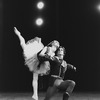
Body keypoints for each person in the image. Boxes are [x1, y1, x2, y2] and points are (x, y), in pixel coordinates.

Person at [14, 27, 60, 100]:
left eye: (56, 48)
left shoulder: (53, 53)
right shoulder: (46, 48)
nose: (55, 48)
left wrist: (55, 58)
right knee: (23, 45)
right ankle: (19, 34)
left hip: (41, 63)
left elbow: (53, 59)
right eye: (54, 46)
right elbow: (41, 54)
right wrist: (48, 56)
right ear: (52, 45)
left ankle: (35, 95)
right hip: (34, 57)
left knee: (35, 78)